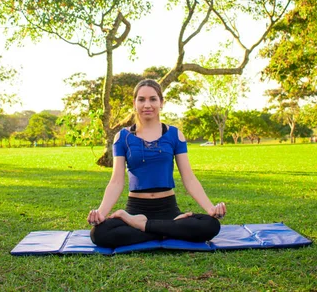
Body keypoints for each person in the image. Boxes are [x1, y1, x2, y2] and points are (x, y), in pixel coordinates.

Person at [88, 79, 226, 248]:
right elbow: (116, 181)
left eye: (153, 99)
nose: (147, 105)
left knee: (211, 225)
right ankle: (167, 230)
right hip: (135, 209)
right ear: (134, 103)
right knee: (99, 234)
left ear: (161, 103)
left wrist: (210, 208)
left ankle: (143, 227)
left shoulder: (175, 135)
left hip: (169, 210)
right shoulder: (122, 137)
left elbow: (189, 178)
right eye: (141, 99)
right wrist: (100, 214)